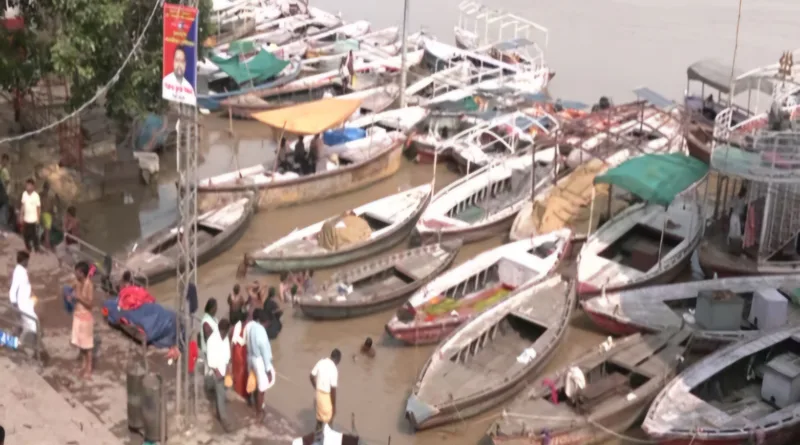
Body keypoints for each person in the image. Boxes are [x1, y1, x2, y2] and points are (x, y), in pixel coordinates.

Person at [205, 317, 233, 432]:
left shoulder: (225, 339)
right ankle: (223, 419)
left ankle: (217, 408)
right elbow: (211, 361)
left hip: (222, 369)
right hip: (214, 372)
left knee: (221, 391)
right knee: (220, 393)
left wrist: (228, 370)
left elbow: (226, 356)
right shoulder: (212, 340)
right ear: (223, 330)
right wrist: (219, 373)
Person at [246, 309, 275, 418]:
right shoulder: (261, 330)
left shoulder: (252, 327)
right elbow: (264, 350)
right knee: (262, 388)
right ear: (265, 321)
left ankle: (256, 405)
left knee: (255, 383)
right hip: (259, 360)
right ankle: (259, 412)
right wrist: (268, 369)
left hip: (251, 357)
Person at [72, 261, 95, 378]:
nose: (75, 273)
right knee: (80, 342)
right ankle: (83, 364)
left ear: (81, 273)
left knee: (88, 345)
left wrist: (79, 298)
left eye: (76, 272)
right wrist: (70, 294)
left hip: (86, 317)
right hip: (77, 315)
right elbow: (73, 289)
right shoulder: (77, 282)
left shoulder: (89, 285)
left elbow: (90, 304)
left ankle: (89, 367)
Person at [311, 349, 341, 430]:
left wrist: (316, 387)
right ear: (338, 359)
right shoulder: (334, 369)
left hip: (318, 395)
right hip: (326, 396)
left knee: (319, 419)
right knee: (329, 421)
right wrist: (334, 407)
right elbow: (333, 390)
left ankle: (317, 437)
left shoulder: (321, 361)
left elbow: (311, 376)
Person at [9, 250, 38, 338]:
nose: (28, 263)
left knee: (22, 324)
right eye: (27, 261)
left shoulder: (21, 270)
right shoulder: (19, 272)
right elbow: (14, 288)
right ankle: (27, 344)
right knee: (32, 324)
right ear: (24, 260)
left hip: (25, 301)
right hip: (22, 303)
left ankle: (12, 339)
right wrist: (14, 302)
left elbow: (25, 285)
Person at [229, 311, 249, 399]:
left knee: (241, 370)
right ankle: (239, 391)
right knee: (240, 370)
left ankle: (241, 390)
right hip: (239, 350)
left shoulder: (243, 325)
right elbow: (234, 338)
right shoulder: (238, 325)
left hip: (241, 349)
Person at [19, 178, 41, 252]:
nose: (27, 187)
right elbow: (23, 205)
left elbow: (38, 208)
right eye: (26, 185)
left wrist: (38, 219)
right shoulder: (24, 194)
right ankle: (28, 248)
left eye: (28, 185)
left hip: (33, 219)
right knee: (25, 235)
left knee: (34, 235)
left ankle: (36, 248)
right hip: (26, 219)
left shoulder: (36, 196)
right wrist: (21, 215)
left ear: (32, 186)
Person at [39, 181, 58, 249]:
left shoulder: (49, 197)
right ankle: (46, 243)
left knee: (46, 230)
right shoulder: (42, 195)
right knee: (46, 230)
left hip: (45, 214)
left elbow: (53, 208)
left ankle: (46, 243)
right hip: (43, 214)